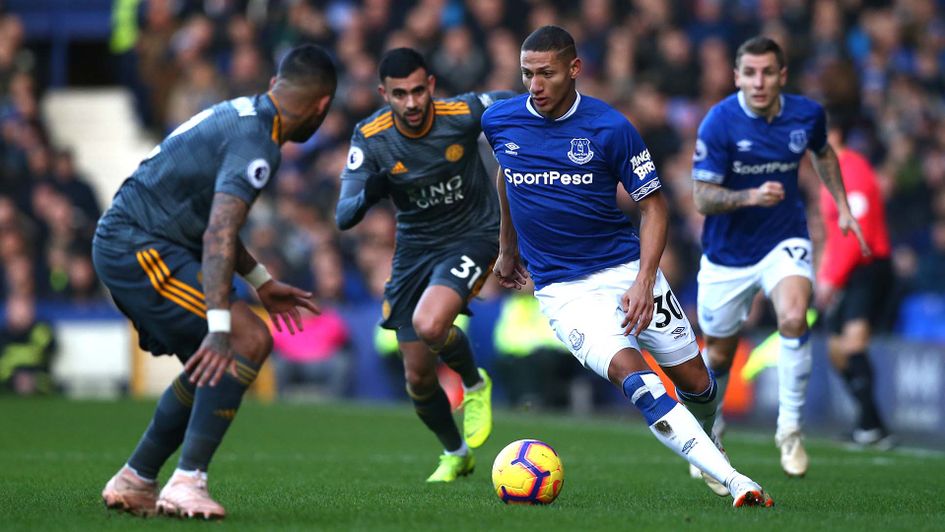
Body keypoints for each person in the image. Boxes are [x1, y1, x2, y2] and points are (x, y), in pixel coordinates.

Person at [482, 25, 773, 508]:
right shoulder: (501, 121)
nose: (535, 85)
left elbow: (654, 206)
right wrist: (506, 248)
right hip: (565, 292)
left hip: (626, 273)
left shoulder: (610, 127)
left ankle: (706, 440)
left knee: (698, 386)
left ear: (574, 69)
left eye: (546, 74)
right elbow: (506, 177)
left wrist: (643, 281)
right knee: (641, 384)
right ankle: (738, 481)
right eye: (528, 74)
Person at [94, 44, 336, 519]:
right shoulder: (258, 144)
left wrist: (261, 281)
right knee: (245, 341)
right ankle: (187, 482)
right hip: (140, 248)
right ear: (322, 107)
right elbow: (219, 231)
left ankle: (137, 478)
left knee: (207, 369)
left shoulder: (242, 114)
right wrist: (221, 326)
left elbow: (212, 222)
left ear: (274, 84)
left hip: (143, 242)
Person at [691, 36, 870, 478]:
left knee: (793, 318)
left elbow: (823, 152)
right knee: (718, 357)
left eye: (767, 72)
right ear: (737, 77)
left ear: (781, 76)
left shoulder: (806, 114)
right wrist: (751, 195)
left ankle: (789, 430)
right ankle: (709, 432)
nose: (758, 82)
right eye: (749, 73)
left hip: (783, 238)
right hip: (727, 253)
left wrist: (842, 206)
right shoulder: (719, 123)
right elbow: (701, 197)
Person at [336, 47, 512, 483]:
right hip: (415, 250)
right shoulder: (370, 135)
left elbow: (515, 101)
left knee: (432, 326)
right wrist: (371, 191)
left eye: (418, 91)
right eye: (400, 94)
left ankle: (474, 384)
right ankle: (456, 452)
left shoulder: (462, 112)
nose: (412, 103)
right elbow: (343, 214)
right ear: (384, 94)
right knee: (416, 374)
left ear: (431, 85)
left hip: (473, 236)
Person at [815, 111, 894, 448]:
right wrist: (824, 272)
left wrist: (831, 278)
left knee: (853, 343)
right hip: (845, 269)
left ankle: (871, 426)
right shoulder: (828, 175)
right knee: (836, 351)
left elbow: (854, 232)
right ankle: (870, 423)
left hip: (867, 266)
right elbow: (834, 234)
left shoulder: (854, 170)